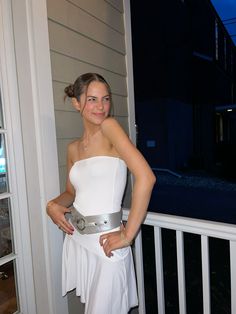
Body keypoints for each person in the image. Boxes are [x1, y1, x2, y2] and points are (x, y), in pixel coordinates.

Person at [46, 73, 156, 314]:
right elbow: (70, 192)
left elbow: (146, 178)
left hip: (108, 243)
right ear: (76, 103)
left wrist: (128, 236)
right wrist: (53, 205)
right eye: (92, 99)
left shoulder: (110, 127)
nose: (101, 107)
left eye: (105, 99)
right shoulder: (73, 147)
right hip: (79, 239)